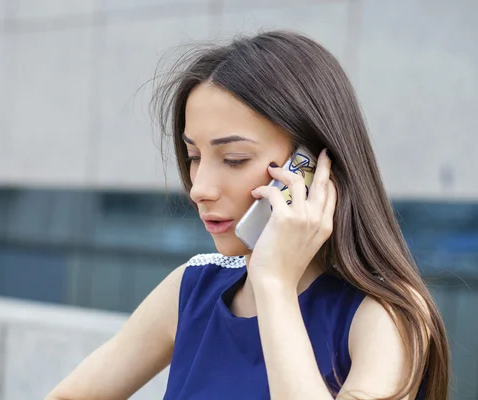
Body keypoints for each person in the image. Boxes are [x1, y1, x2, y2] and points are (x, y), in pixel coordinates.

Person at [46, 30, 450, 400]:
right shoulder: (193, 289)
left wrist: (273, 284)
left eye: (234, 159)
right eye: (193, 157)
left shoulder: (386, 315)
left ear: (308, 167)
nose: (200, 187)